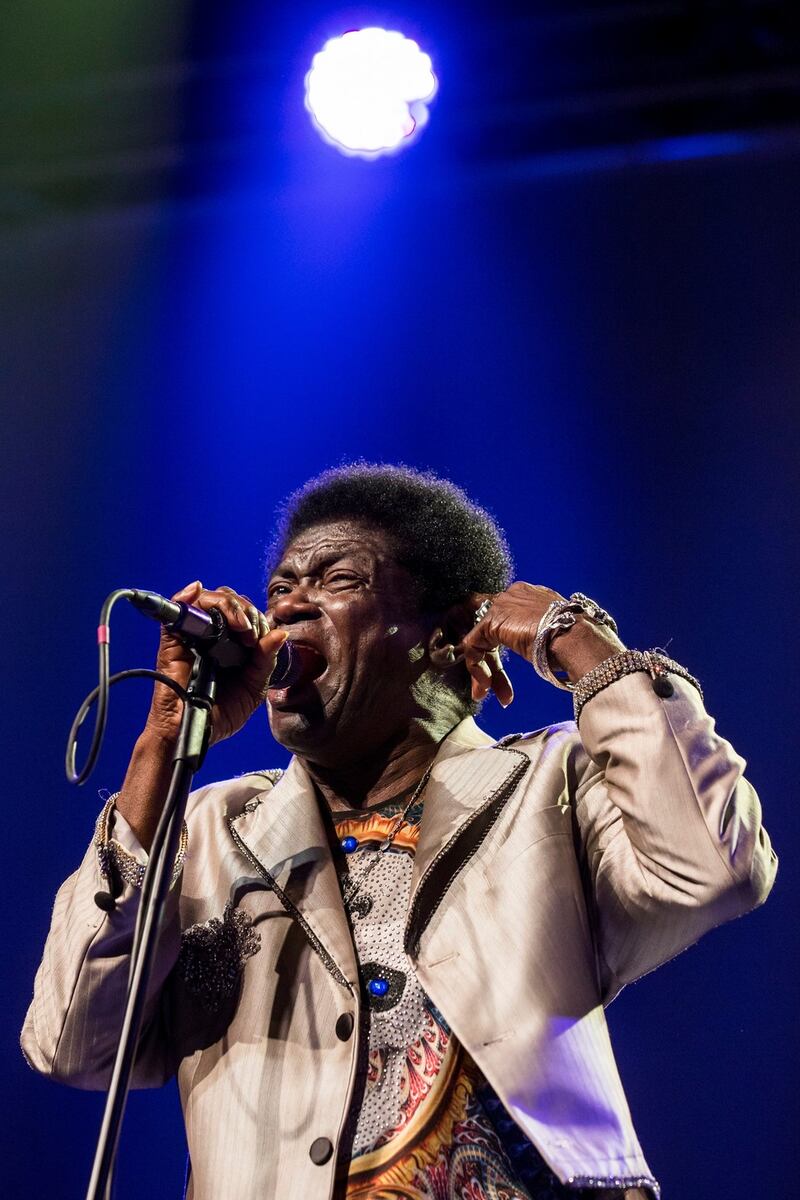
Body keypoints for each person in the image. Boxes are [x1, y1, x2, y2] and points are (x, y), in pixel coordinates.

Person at [22, 464, 776, 1200]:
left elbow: (713, 863)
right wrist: (161, 740)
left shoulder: (553, 783)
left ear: (450, 635)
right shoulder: (207, 828)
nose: (289, 609)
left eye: (337, 581)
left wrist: (574, 640)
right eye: (281, 587)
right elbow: (70, 1041)